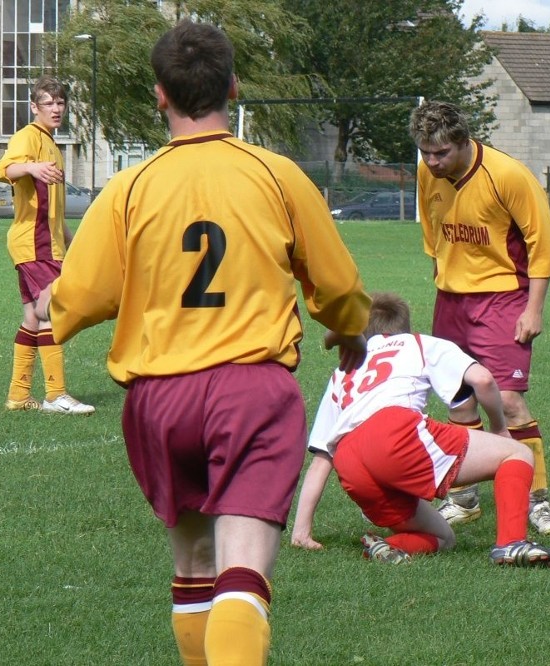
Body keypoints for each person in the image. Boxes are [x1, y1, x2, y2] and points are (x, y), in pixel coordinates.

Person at [36, 20, 370, 666]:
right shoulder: (276, 175)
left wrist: (59, 304)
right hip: (250, 392)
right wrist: (347, 326)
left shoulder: (128, 188)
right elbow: (337, 285)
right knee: (243, 571)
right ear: (234, 89)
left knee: (195, 563)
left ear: (159, 94)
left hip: (158, 400)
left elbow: (78, 302)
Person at [291, 292, 550, 568]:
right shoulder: (418, 343)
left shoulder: (343, 370)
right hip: (395, 433)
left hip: (350, 463)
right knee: (517, 453)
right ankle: (512, 543)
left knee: (443, 537)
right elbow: (483, 380)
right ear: (404, 326)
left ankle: (386, 546)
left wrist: (301, 530)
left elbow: (320, 459)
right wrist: (499, 428)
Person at [408, 100, 550, 536]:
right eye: (425, 152)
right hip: (451, 301)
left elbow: (542, 244)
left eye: (441, 153)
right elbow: (433, 232)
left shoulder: (509, 175)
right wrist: (442, 278)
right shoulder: (427, 172)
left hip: (504, 299)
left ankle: (538, 499)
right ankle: (465, 498)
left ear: (463, 141)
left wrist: (533, 309)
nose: (432, 161)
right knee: (460, 399)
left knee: (509, 399)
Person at [0, 75, 95, 415]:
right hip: (33, 244)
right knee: (53, 309)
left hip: (42, 244)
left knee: (33, 320)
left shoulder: (52, 142)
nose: (56, 108)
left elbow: (53, 210)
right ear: (34, 107)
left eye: (60, 103)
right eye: (48, 103)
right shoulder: (27, 136)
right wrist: (31, 167)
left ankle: (19, 396)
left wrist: (74, 243)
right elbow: (1, 169)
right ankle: (56, 394)